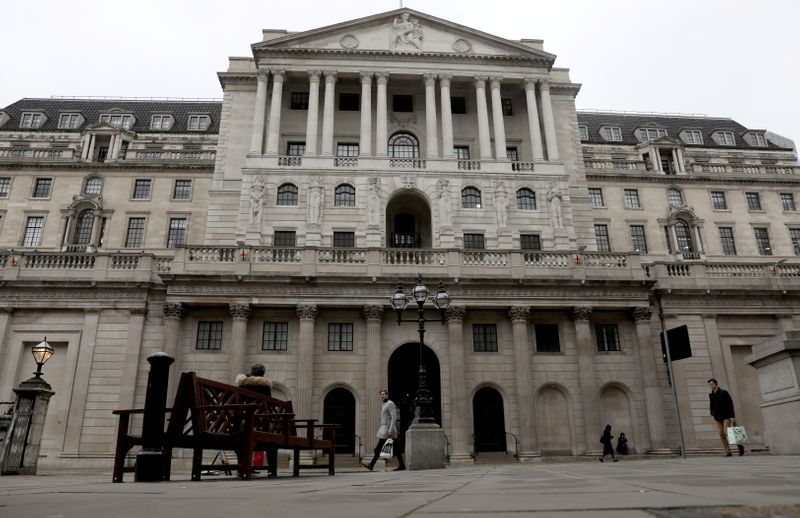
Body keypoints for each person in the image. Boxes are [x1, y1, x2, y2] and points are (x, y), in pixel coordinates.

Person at [363, 389, 406, 471]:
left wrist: (391, 429)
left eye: (383, 394)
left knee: (378, 448)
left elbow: (394, 417)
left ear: (387, 395)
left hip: (388, 429)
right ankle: (402, 465)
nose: (382, 396)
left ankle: (371, 464)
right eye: (381, 394)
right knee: (396, 448)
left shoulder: (390, 404)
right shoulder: (383, 404)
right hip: (384, 427)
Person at [708, 378, 744, 457]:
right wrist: (712, 413)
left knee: (726, 432)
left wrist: (732, 416)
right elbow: (711, 405)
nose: (711, 386)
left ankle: (740, 445)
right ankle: (728, 452)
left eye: (712, 384)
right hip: (717, 417)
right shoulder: (711, 395)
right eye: (710, 384)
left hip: (726, 416)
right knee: (721, 434)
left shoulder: (724, 393)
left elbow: (730, 405)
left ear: (716, 384)